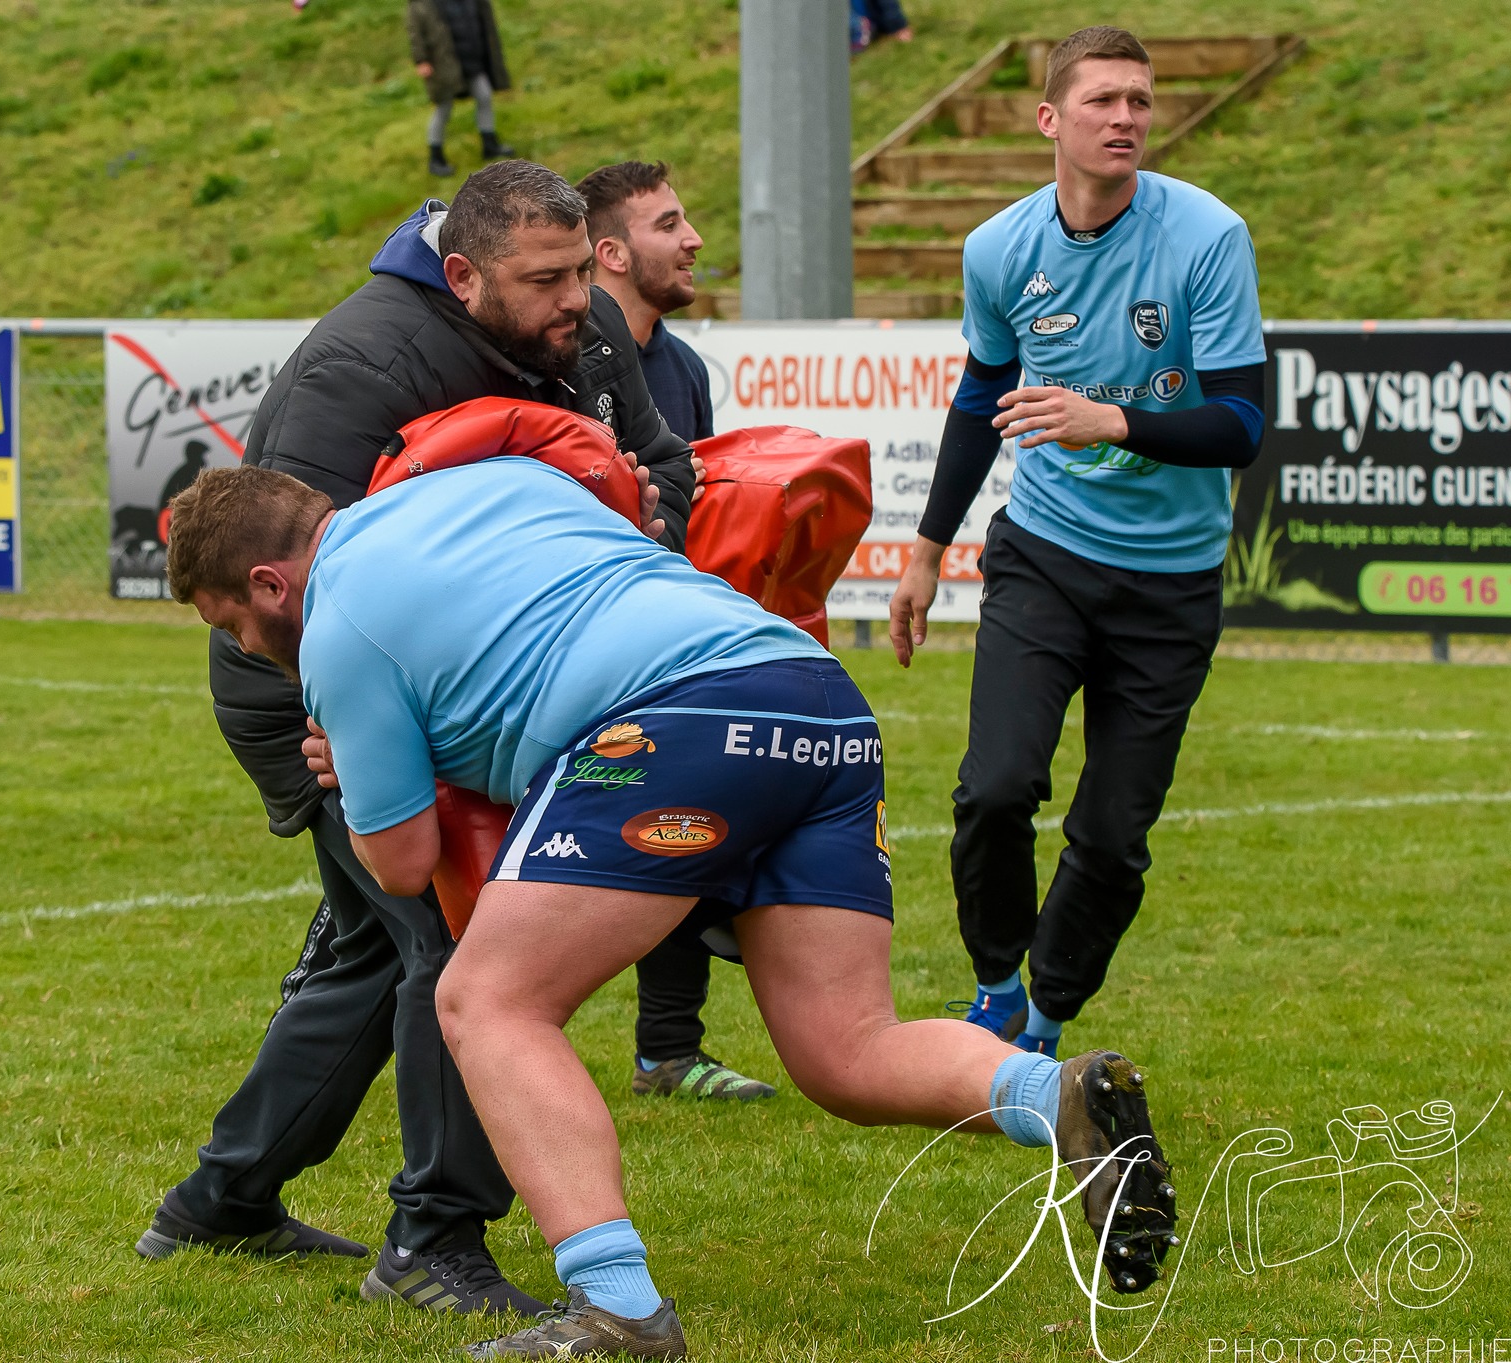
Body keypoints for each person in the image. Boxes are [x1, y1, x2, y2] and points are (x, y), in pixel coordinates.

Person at [165, 457, 1181, 1358]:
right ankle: (1058, 1096)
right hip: (812, 696)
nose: (252, 648)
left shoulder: (337, 628)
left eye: (235, 627)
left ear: (267, 582)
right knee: (844, 1049)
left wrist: (349, 763)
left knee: (487, 1000)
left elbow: (401, 862)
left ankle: (617, 1313)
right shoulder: (478, 484)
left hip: (675, 718)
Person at [134, 160, 697, 1316]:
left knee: (370, 952)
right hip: (313, 698)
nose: (570, 302)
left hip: (451, 691)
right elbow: (282, 579)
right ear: (461, 274)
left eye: (575, 274)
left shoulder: (576, 334)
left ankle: (220, 1201)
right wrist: (357, 730)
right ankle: (431, 1244)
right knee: (472, 949)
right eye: (539, 281)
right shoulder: (364, 362)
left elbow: (662, 474)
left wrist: (630, 512)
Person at [888, 26, 1266, 1058]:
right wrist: (925, 547)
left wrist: (1116, 422)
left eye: (1139, 101)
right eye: (1102, 100)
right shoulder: (998, 248)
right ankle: (995, 983)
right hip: (1043, 555)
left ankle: (1047, 1019)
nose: (1126, 118)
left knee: (1109, 835)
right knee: (994, 786)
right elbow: (979, 398)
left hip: (1169, 583)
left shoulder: (1205, 236)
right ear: (1048, 119)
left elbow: (1241, 423)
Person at [576, 160, 774, 1103]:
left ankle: (668, 1050)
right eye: (670, 223)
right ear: (610, 253)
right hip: (566, 639)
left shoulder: (685, 370)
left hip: (658, 631)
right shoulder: (562, 358)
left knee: (686, 808)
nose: (695, 239)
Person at [408, 0, 516, 177]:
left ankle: (489, 144)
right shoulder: (422, 4)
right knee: (443, 109)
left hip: (472, 61)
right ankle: (436, 158)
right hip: (444, 64)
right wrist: (421, 59)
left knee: (484, 96)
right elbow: (415, 31)